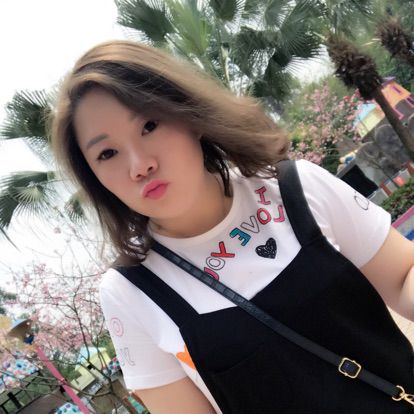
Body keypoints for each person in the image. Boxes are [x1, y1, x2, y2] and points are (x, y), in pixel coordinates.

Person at [51, 40, 414, 413]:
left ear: (188, 114)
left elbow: (403, 275)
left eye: (149, 125)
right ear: (95, 178)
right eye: (107, 153)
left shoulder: (294, 189)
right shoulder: (130, 293)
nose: (139, 165)